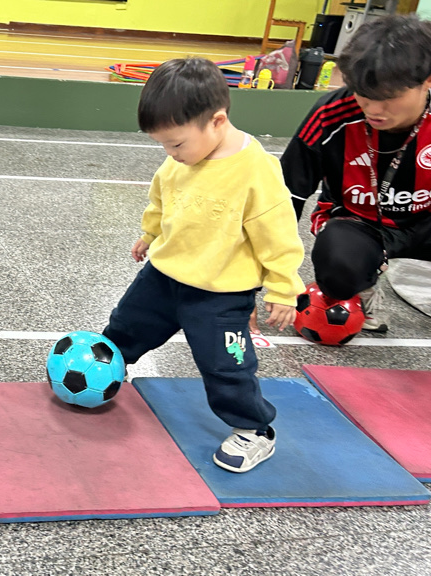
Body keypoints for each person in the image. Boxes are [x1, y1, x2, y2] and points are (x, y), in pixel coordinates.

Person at [103, 58, 305, 473]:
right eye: (163, 145)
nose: (170, 154)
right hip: (164, 275)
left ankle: (255, 429)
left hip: (221, 294)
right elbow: (162, 197)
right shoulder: (180, 161)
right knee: (126, 325)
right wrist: (150, 233)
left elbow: (279, 236)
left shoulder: (256, 171)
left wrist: (284, 288)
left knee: (225, 366)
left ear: (217, 121)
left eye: (176, 145)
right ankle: (104, 371)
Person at [282, 14, 431, 333]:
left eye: (388, 97)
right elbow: (284, 198)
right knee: (339, 269)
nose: (373, 110)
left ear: (429, 79)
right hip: (360, 222)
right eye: (362, 94)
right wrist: (257, 284)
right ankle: (365, 281)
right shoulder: (330, 115)